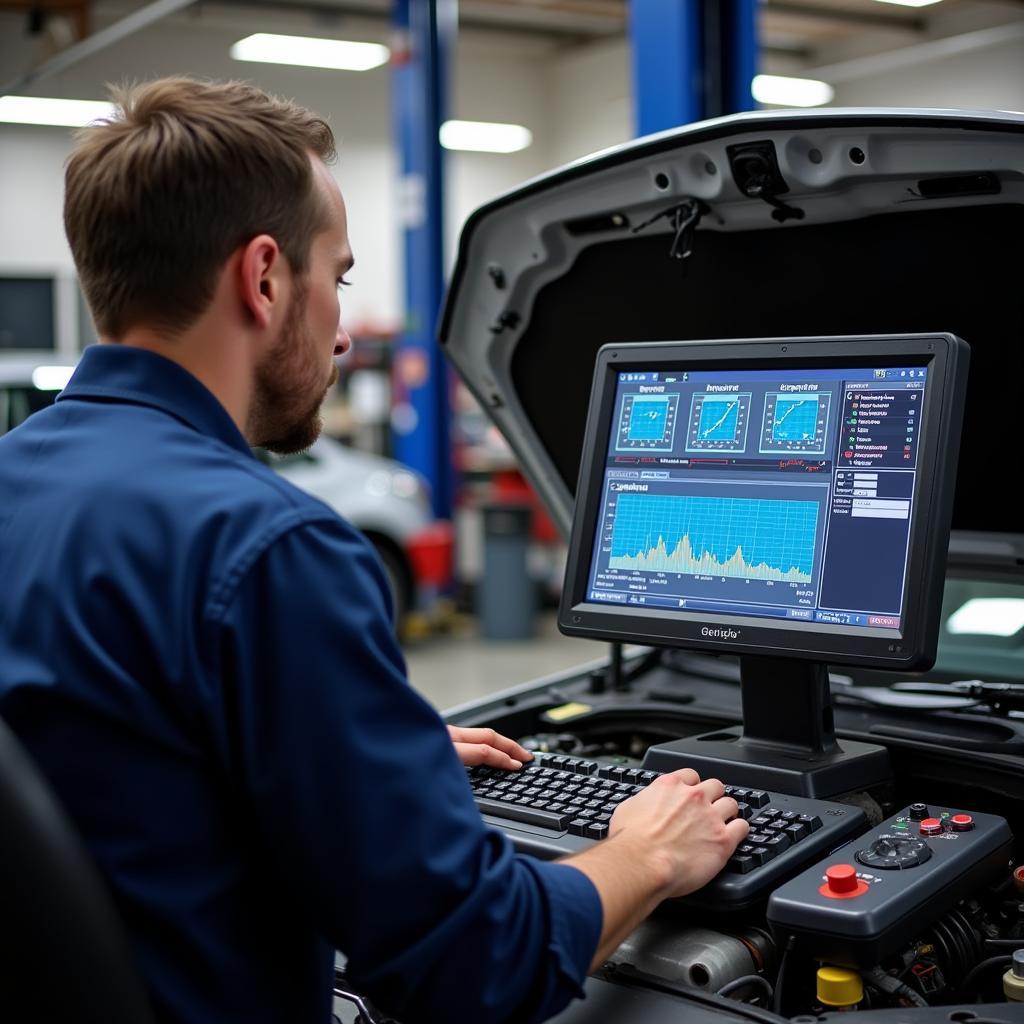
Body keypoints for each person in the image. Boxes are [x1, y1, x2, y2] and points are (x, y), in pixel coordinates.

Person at [0, 77, 748, 1023]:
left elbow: (101, 773)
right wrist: (644, 855)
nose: (345, 330)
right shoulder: (269, 548)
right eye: (337, 277)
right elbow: (474, 964)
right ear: (264, 278)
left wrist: (342, 763)